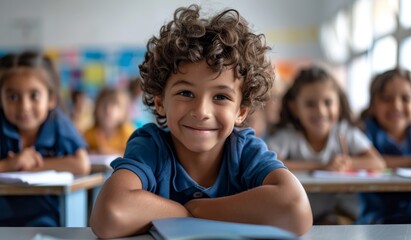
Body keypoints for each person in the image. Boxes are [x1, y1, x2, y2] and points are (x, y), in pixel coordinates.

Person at [90, 4, 312, 238]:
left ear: (242, 111)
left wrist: (197, 209)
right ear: (159, 102)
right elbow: (109, 214)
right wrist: (184, 212)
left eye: (221, 96)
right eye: (186, 93)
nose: (201, 111)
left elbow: (296, 210)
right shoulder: (151, 147)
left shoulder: (244, 150)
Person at [267, 66, 385, 224]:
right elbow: (268, 165)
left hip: (344, 216)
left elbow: (378, 163)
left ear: (339, 104)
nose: (321, 111)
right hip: (300, 217)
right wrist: (322, 166)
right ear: (294, 108)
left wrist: (348, 162)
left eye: (328, 102)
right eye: (310, 104)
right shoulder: (288, 136)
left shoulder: (345, 132)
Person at [0, 51, 90, 226]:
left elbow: (81, 165)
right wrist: (11, 164)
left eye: (34, 96)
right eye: (13, 97)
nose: (24, 107)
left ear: (51, 99)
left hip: (44, 216)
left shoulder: (58, 123)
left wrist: (30, 165)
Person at [356, 68, 411, 224]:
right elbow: (367, 161)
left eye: (406, 98)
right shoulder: (363, 132)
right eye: (387, 99)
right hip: (376, 216)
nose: (397, 106)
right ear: (372, 105)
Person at [83, 87, 135, 155]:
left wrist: (111, 152)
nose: (108, 110)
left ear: (124, 111)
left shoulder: (129, 134)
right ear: (96, 108)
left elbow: (134, 155)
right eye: (104, 104)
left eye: (115, 105)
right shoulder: (88, 134)